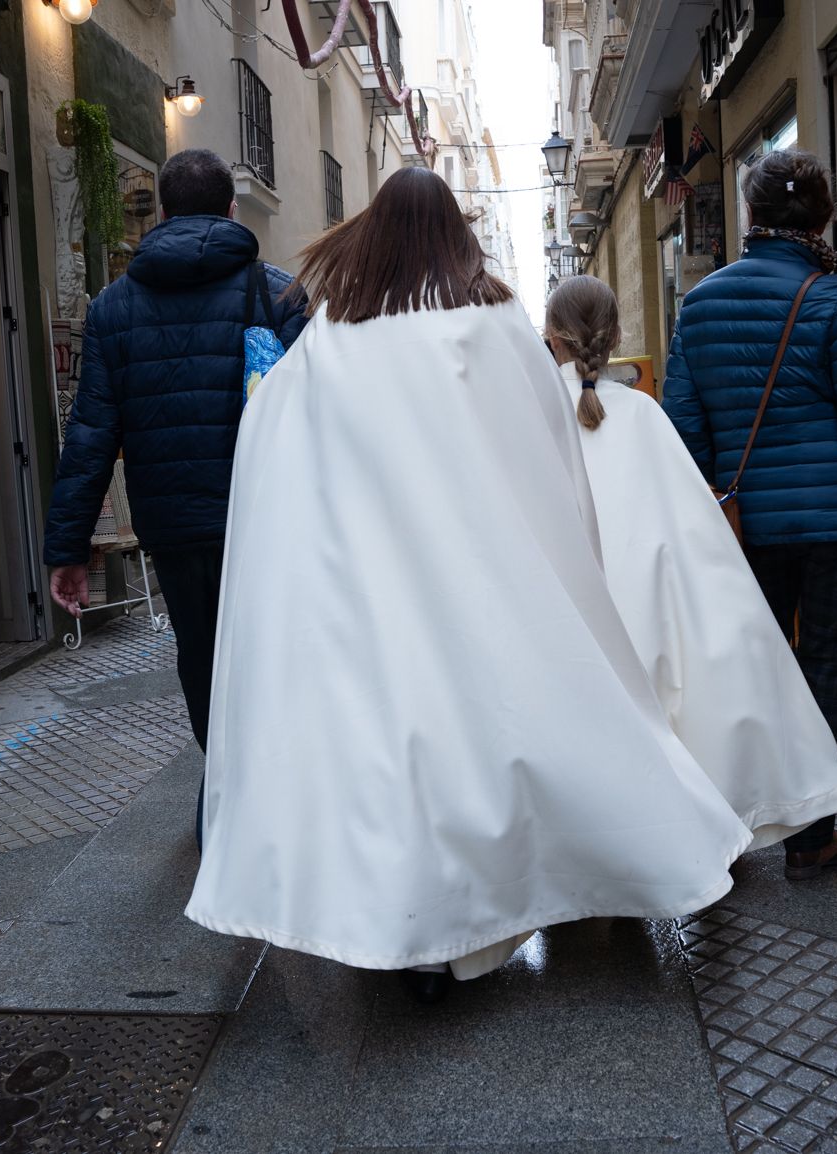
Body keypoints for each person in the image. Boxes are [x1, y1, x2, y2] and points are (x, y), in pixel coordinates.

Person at [184, 167, 753, 1003]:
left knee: (397, 741)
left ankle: (418, 929)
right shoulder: (494, 325)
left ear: (369, 234)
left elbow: (273, 444)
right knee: (486, 730)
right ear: (455, 234)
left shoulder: (334, 335)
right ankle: (507, 896)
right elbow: (551, 451)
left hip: (368, 574)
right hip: (480, 563)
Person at [663, 148, 837, 879]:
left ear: (750, 216)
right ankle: (812, 838)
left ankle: (734, 825)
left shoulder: (701, 303)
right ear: (822, 215)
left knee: (747, 669)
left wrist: (713, 499)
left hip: (745, 524)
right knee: (827, 670)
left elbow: (681, 427)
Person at [543, 275, 837, 859]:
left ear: (550, 336)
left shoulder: (532, 416)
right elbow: (690, 524)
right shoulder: (641, 414)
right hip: (647, 598)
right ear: (613, 336)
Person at [44, 149, 309, 763]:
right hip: (262, 515)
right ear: (231, 208)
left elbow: (89, 436)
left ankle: (222, 781)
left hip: (174, 525)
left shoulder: (113, 308)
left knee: (199, 652)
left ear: (162, 212)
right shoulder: (278, 295)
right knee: (270, 650)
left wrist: (68, 549)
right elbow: (318, 415)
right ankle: (272, 789)